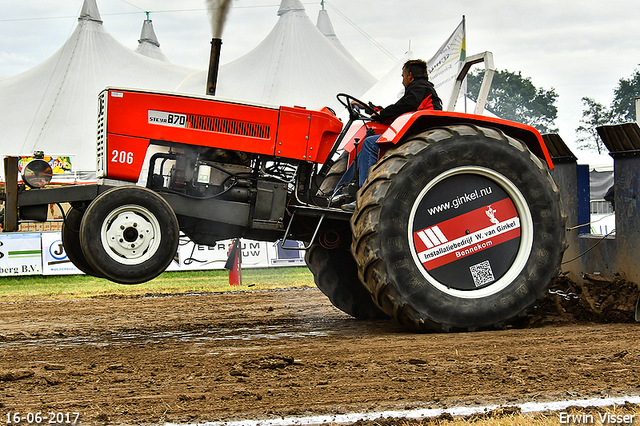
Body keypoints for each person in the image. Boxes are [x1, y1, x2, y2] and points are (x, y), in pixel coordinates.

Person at [332, 59, 442, 209]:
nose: (402, 81)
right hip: (415, 134)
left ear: (410, 75)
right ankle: (336, 192)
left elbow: (404, 106)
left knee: (370, 143)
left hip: (418, 136)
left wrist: (381, 114)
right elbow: (399, 112)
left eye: (402, 76)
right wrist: (372, 110)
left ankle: (365, 199)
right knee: (360, 152)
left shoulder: (420, 87)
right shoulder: (421, 91)